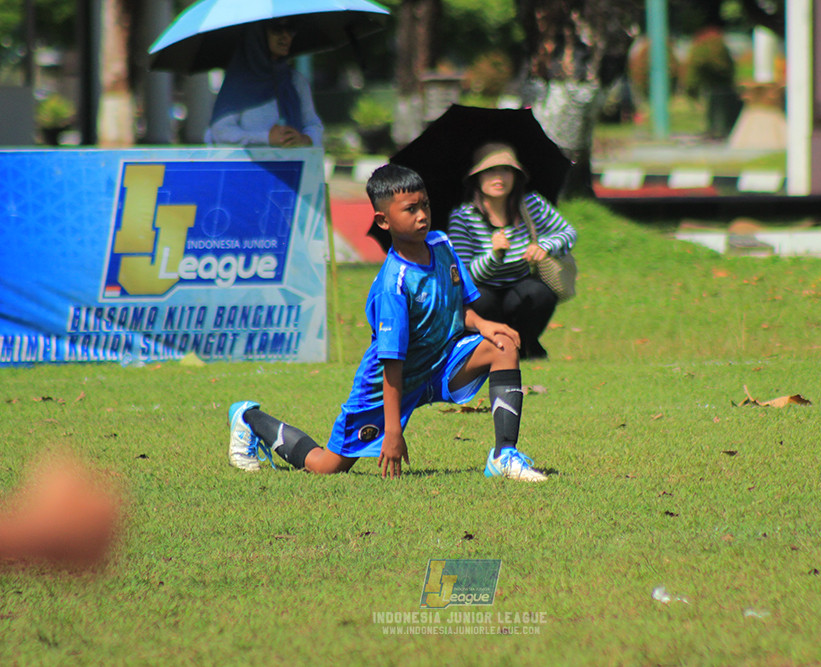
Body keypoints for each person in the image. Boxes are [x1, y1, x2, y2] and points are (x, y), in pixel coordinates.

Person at [226, 164, 548, 482]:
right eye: (410, 209)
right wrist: (392, 433)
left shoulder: (442, 246)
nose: (422, 215)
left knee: (502, 347)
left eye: (425, 205)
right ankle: (250, 418)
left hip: (440, 364)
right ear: (383, 220)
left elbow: (455, 306)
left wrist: (483, 324)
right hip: (387, 386)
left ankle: (503, 456)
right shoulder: (393, 284)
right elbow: (391, 362)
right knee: (326, 466)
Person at [448, 142, 577, 360]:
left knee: (539, 294)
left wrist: (544, 247)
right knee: (480, 300)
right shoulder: (463, 217)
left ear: (516, 176)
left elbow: (568, 233)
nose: (499, 178)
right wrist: (494, 255)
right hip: (484, 291)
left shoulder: (532, 204)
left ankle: (526, 344)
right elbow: (465, 273)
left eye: (506, 170)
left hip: (521, 285)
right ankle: (494, 347)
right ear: (477, 178)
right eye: (490, 171)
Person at [205, 17, 323, 148]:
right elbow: (221, 132)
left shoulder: (294, 80)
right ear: (257, 35)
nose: (286, 37)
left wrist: (305, 139)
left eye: (290, 30)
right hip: (251, 167)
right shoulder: (238, 84)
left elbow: (313, 124)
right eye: (277, 29)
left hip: (294, 165)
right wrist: (266, 138)